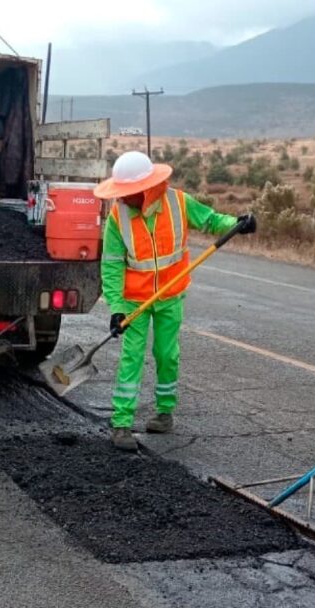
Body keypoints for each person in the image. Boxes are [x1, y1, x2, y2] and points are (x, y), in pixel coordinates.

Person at [95, 151, 257, 452]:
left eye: (127, 193)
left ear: (145, 188)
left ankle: (165, 412)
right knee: (131, 358)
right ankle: (121, 423)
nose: (122, 199)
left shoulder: (178, 202)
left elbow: (209, 220)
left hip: (170, 295)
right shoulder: (118, 217)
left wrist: (236, 223)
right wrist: (116, 306)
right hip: (134, 300)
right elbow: (112, 265)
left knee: (167, 355)